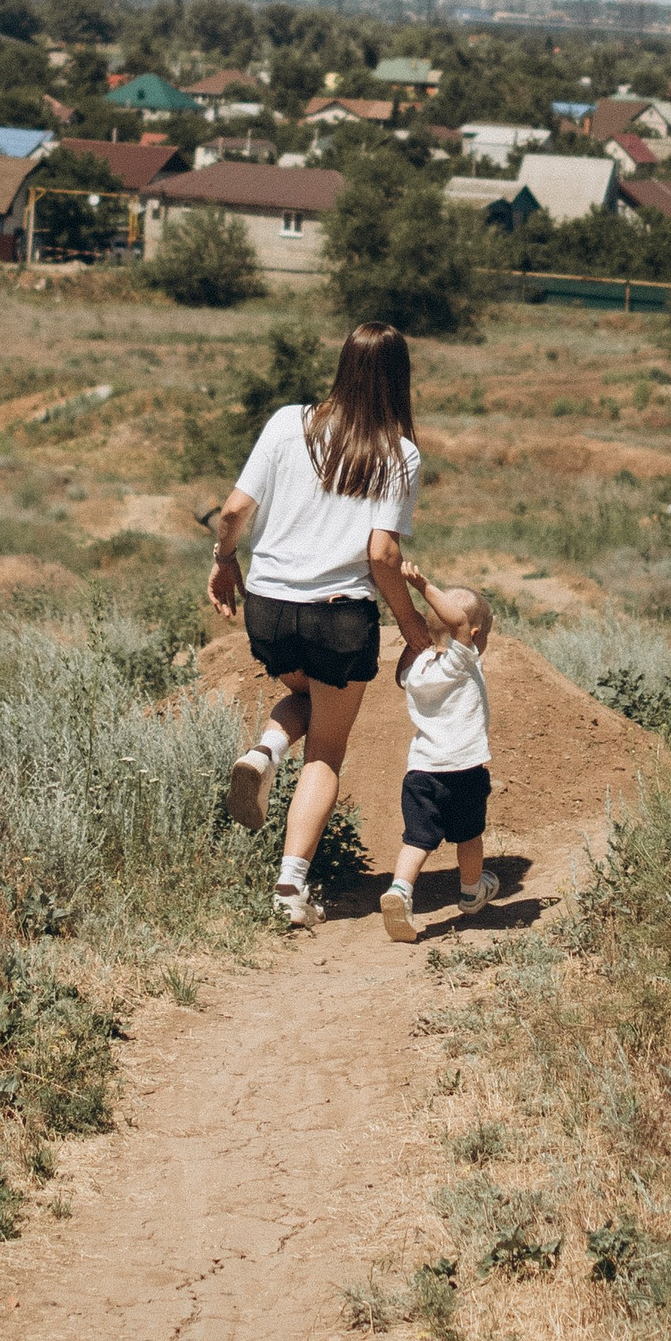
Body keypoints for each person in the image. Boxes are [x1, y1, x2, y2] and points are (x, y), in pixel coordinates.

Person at [209, 320, 429, 930]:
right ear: (399, 378)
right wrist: (412, 625)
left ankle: (265, 750)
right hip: (339, 616)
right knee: (327, 752)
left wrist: (225, 561)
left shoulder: (288, 422)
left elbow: (233, 510)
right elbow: (382, 555)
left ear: (342, 366)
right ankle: (289, 888)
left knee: (305, 695)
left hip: (268, 608)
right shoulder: (399, 454)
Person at [380, 580, 494, 940]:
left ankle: (400, 890)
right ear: (473, 636)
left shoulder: (418, 670)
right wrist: (422, 586)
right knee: (469, 837)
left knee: (416, 840)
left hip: (421, 772)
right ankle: (472, 892)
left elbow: (401, 674)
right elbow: (458, 623)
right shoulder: (461, 661)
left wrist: (419, 633)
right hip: (463, 771)